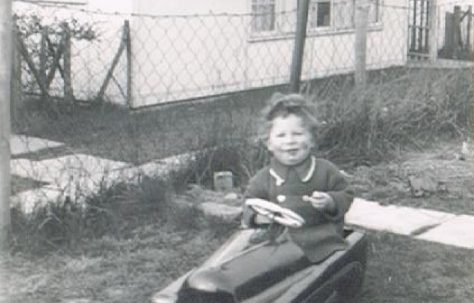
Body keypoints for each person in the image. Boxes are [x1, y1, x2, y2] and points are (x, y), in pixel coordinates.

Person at [242, 92, 354, 263]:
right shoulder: (265, 176)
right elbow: (250, 201)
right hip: (278, 237)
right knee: (252, 257)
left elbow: (345, 193)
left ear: (311, 140)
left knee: (317, 256)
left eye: (298, 134)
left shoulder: (324, 170)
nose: (290, 141)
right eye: (281, 135)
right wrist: (257, 217)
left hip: (319, 236)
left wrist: (330, 201)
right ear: (269, 144)